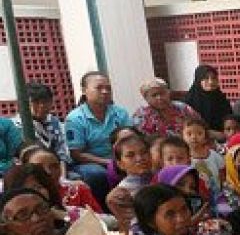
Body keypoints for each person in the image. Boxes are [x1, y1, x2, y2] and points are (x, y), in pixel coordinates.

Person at [65, 71, 132, 202]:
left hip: (120, 158)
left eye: (108, 88)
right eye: (99, 88)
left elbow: (132, 140)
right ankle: (103, 210)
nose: (105, 91)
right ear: (84, 90)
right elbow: (77, 154)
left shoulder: (120, 113)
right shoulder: (75, 118)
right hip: (90, 162)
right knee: (96, 174)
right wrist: (109, 163)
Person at [13, 83, 72, 171]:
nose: (42, 106)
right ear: (24, 104)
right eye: (36, 102)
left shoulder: (55, 122)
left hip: (57, 170)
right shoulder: (15, 126)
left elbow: (62, 152)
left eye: (46, 101)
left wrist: (62, 177)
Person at [132, 78, 201, 138]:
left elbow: (199, 124)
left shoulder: (182, 108)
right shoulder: (141, 116)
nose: (159, 98)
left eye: (162, 93)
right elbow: (141, 140)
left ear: (168, 93)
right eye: (154, 95)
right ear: (146, 98)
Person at [183, 65, 232, 139]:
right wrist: (209, 133)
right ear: (198, 80)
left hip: (226, 136)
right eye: (206, 78)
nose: (211, 82)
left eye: (214, 78)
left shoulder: (221, 98)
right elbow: (188, 127)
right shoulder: (189, 101)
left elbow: (229, 118)